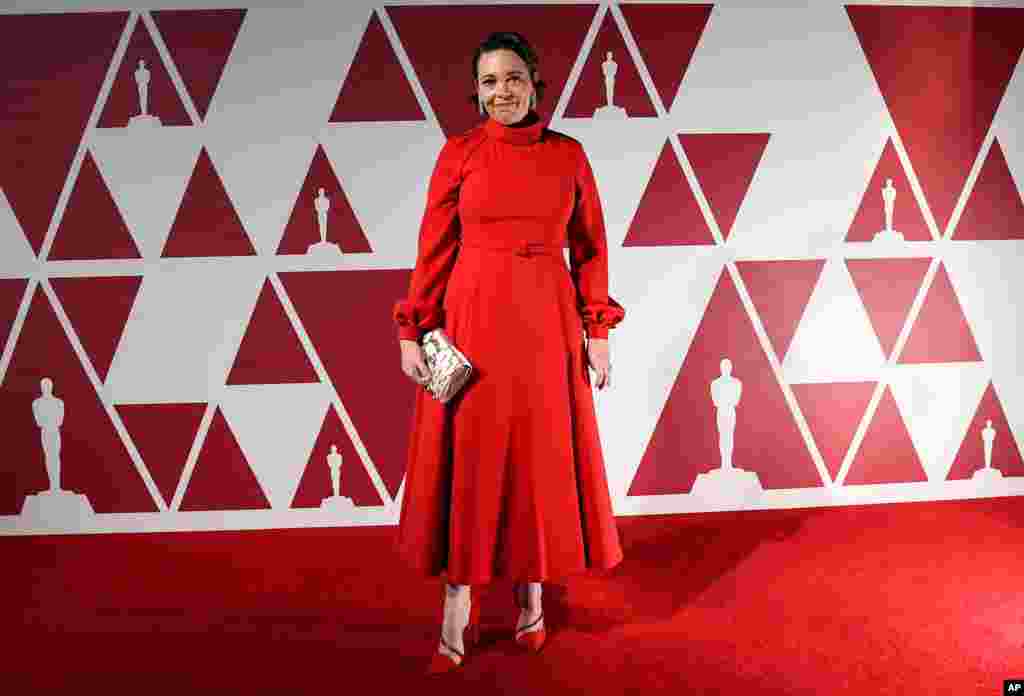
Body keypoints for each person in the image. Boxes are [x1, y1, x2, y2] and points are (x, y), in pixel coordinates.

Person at [392, 31, 625, 673]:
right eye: (490, 81)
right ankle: (453, 621)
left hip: (548, 324)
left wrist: (597, 332)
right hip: (471, 321)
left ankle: (532, 606)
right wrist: (413, 329)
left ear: (535, 83)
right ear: (478, 90)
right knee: (470, 461)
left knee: (538, 461)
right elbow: (434, 248)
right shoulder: (458, 154)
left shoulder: (570, 155)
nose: (502, 91)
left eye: (513, 77)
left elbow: (593, 248)